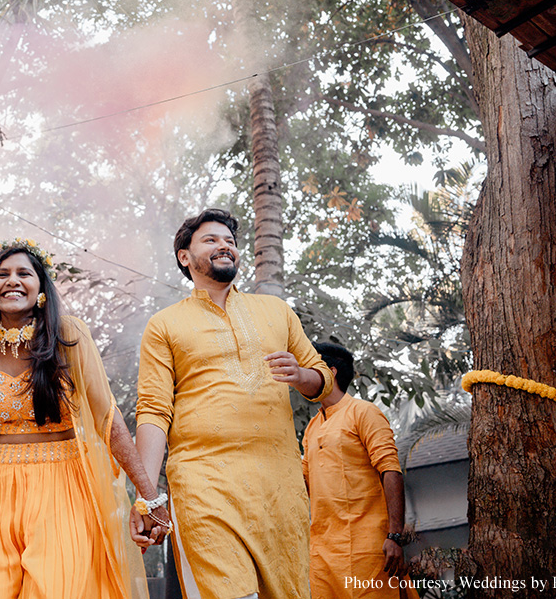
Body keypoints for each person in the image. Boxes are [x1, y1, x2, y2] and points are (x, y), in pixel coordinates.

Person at [0, 238, 168, 599]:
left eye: (24, 273)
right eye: (2, 274)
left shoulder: (69, 335)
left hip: (62, 485)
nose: (13, 280)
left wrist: (150, 497)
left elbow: (107, 420)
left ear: (40, 287)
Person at [134, 208, 335, 599]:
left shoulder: (275, 311)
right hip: (202, 481)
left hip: (279, 486)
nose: (225, 245)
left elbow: (321, 381)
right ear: (184, 256)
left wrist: (300, 374)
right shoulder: (165, 324)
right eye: (211, 240)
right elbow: (155, 412)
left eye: (230, 240)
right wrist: (147, 494)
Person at [302, 342, 418, 599]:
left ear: (330, 372)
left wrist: (395, 536)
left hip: (367, 547)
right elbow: (303, 485)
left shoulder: (363, 412)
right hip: (322, 551)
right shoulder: (311, 428)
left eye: (308, 368)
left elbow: (391, 470)